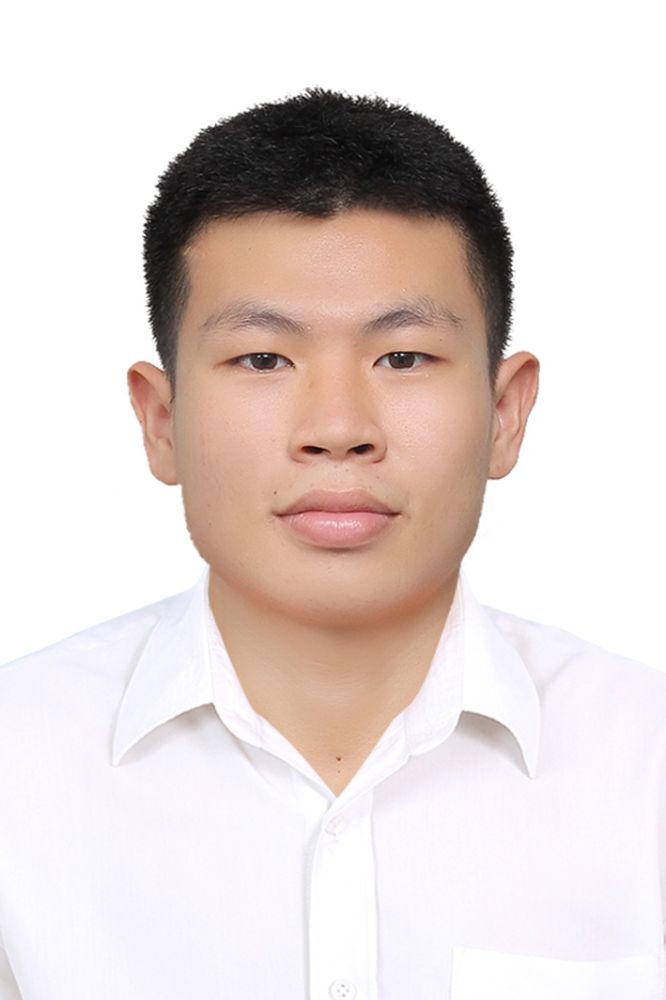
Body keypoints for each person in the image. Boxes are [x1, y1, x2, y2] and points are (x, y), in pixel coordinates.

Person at [0, 87, 664, 1000]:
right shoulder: (17, 765)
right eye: (263, 359)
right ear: (160, 421)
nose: (339, 429)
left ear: (506, 414)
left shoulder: (647, 767)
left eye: (403, 357)